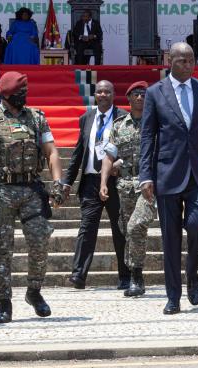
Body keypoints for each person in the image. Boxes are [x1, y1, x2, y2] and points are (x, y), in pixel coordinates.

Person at [0, 71, 65, 324]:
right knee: (1, 249)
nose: (24, 98)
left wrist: (58, 182)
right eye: (19, 94)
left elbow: (52, 153)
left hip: (31, 189)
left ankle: (34, 292)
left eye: (25, 93)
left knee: (40, 240)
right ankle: (4, 302)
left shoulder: (36, 118)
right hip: (0, 191)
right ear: (7, 95)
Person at [139, 42, 198, 314]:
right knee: (170, 239)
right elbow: (147, 137)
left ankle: (192, 271)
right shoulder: (155, 93)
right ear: (170, 61)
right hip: (167, 173)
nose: (188, 65)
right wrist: (145, 175)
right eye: (182, 61)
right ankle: (173, 296)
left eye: (191, 60)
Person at [61, 81, 130, 290]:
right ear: (95, 94)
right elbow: (78, 153)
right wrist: (66, 182)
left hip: (116, 182)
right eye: (99, 91)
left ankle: (125, 276)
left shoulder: (123, 117)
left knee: (120, 230)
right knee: (87, 228)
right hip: (91, 181)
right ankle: (78, 275)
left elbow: (131, 148)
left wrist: (122, 164)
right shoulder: (87, 118)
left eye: (107, 91)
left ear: (113, 94)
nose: (103, 94)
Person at [99, 81, 156, 297]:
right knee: (127, 230)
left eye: (144, 94)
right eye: (136, 94)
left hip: (148, 185)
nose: (140, 98)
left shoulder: (156, 123)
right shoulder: (119, 125)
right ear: (129, 98)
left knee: (136, 226)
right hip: (124, 186)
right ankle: (132, 272)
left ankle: (137, 276)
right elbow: (109, 156)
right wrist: (104, 182)